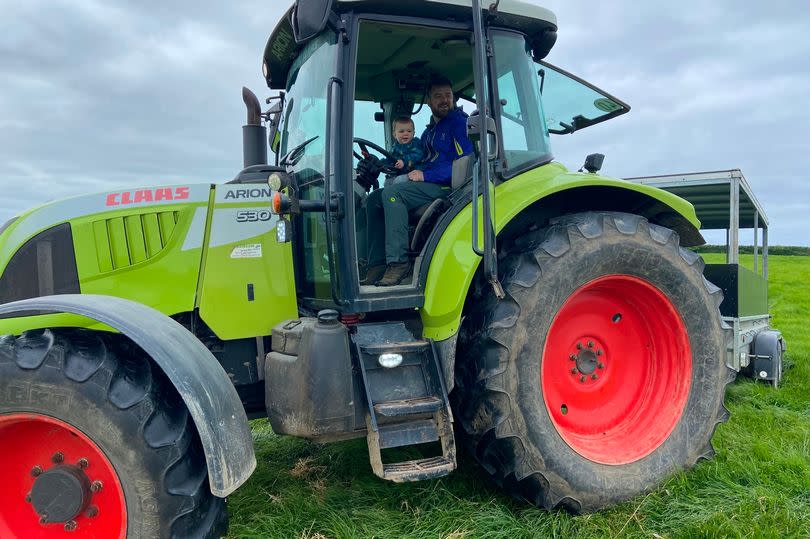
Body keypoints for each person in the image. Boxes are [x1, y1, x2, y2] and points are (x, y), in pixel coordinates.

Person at [362, 75, 473, 286]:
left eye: (448, 96)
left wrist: (426, 175)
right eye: (438, 96)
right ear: (428, 101)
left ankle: (398, 264)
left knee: (392, 194)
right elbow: (415, 159)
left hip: (445, 187)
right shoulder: (429, 132)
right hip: (425, 184)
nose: (444, 100)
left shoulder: (459, 123)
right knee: (374, 199)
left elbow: (465, 164)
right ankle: (376, 264)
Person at [383, 117, 426, 188]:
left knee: (399, 180)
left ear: (414, 133)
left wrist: (404, 161)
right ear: (394, 134)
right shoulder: (395, 147)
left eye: (409, 131)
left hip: (414, 174)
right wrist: (381, 163)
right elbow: (390, 158)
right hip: (399, 174)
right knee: (387, 183)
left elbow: (418, 155)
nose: (406, 134)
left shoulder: (416, 144)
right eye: (401, 131)